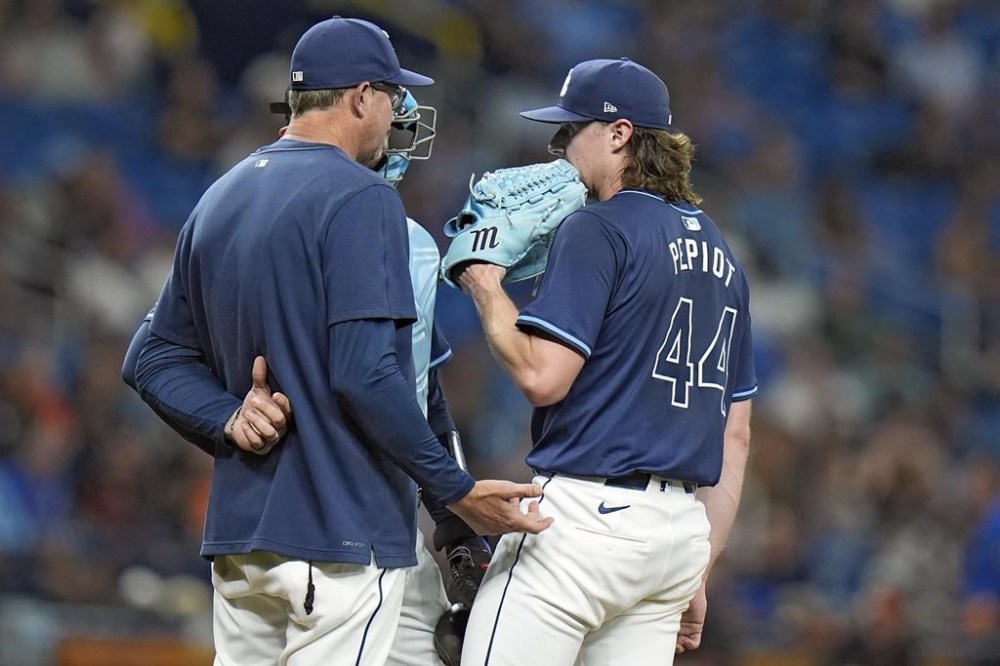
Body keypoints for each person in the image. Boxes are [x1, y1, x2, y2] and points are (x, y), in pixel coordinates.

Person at [130, 16, 550, 666]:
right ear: (359, 97)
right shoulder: (362, 198)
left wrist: (228, 416)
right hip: (339, 535)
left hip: (244, 542)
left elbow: (151, 357)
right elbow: (364, 373)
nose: (394, 113)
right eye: (389, 95)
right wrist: (457, 490)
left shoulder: (221, 195)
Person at [453, 57, 757, 665]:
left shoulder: (599, 226)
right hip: (674, 542)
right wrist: (698, 568)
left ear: (620, 134)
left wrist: (485, 283)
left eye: (571, 129)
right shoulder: (723, 252)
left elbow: (543, 378)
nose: (556, 144)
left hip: (585, 526)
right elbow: (737, 436)